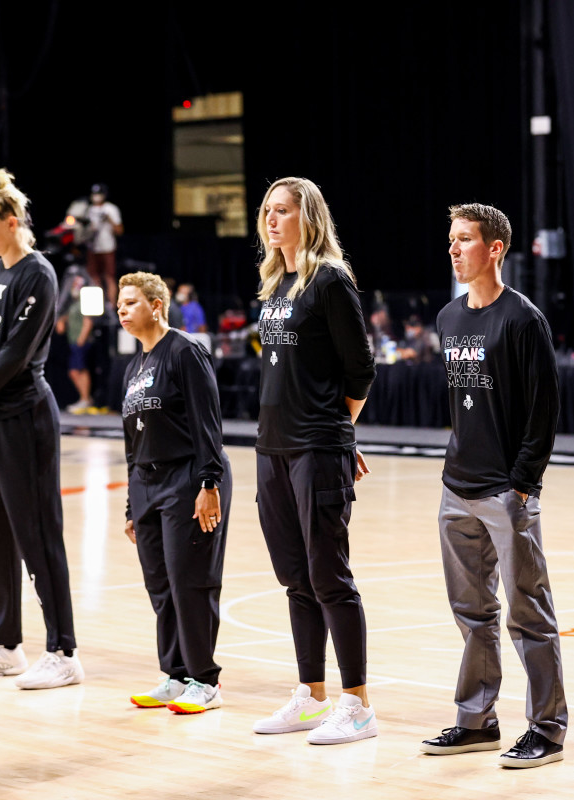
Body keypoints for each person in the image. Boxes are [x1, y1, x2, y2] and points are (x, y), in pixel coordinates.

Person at [420, 203, 567, 768]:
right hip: (455, 488)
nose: (454, 249)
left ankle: (548, 729)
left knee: (528, 612)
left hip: (506, 491)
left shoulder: (523, 319)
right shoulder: (449, 318)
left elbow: (543, 409)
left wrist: (524, 484)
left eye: (464, 240)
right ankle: (476, 720)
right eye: (451, 239)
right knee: (472, 612)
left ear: (495, 248)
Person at [249, 177, 379, 745]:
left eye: (283, 211)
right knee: (295, 579)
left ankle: (358, 705)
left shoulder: (330, 282)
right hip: (272, 449)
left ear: (309, 218)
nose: (272, 220)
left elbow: (361, 370)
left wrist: (338, 434)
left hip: (316, 447)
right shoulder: (277, 284)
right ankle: (311, 696)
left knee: (330, 577)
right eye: (268, 211)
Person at [0, 168, 82, 689]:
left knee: (37, 533)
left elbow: (16, 352)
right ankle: (6, 644)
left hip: (24, 417)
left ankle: (64, 650)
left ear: (11, 222)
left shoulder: (38, 274)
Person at [117, 271, 233, 714]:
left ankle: (205, 681)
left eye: (130, 303)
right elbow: (132, 443)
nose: (122, 311)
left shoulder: (185, 352)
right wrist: (133, 503)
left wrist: (209, 483)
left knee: (191, 582)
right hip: (147, 485)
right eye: (120, 304)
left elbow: (208, 425)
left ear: (156, 305)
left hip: (188, 478)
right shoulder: (134, 366)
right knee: (160, 586)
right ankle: (176, 674)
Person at [56, 270, 96, 413]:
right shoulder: (72, 304)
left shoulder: (85, 300)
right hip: (73, 340)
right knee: (76, 369)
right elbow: (64, 319)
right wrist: (61, 321)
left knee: (77, 369)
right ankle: (85, 398)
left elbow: (88, 321)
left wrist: (82, 338)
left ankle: (85, 399)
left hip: (81, 341)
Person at [85, 183, 123, 302]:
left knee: (109, 277)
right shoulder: (89, 209)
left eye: (99, 194)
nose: (96, 196)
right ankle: (98, 304)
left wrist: (108, 219)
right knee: (94, 277)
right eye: (94, 194)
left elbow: (119, 230)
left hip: (107, 247)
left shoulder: (110, 208)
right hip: (92, 247)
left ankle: (111, 307)